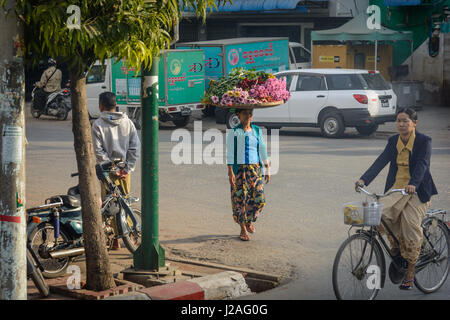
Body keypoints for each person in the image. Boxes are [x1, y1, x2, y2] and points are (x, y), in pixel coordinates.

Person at [356, 107, 437, 290]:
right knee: (380, 215)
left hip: (417, 191)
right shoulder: (393, 141)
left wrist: (414, 184)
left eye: (405, 121)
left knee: (409, 224)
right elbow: (381, 161)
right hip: (397, 189)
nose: (401, 124)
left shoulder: (424, 141)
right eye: (398, 120)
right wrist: (363, 179)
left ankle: (410, 271)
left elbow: (423, 165)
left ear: (414, 123)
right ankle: (398, 250)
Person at [91, 91, 141, 249]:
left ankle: (114, 240)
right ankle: (130, 235)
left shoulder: (98, 124)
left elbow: (98, 152)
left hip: (107, 172)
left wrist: (112, 168)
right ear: (115, 104)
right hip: (125, 171)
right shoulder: (127, 122)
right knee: (124, 202)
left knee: (109, 205)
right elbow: (135, 148)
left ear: (101, 105)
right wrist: (126, 168)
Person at [226, 109, 270, 241]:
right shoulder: (234, 132)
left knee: (259, 199)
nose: (248, 116)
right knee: (241, 200)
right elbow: (230, 153)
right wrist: (230, 172)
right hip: (239, 170)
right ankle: (242, 229)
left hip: (255, 169)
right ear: (238, 115)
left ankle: (248, 220)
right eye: (245, 113)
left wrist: (267, 167)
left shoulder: (256, 130)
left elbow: (261, 147)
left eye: (250, 113)